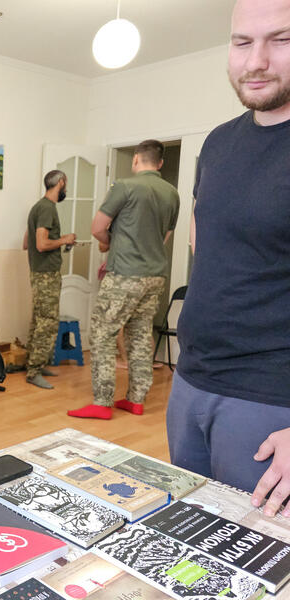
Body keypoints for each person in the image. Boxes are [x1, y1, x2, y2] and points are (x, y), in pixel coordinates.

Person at [167, 0, 290, 517]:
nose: (256, 60)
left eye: (280, 39)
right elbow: (209, 247)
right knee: (190, 540)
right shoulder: (218, 143)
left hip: (269, 400)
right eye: (242, 42)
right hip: (191, 383)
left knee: (262, 566)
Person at [68, 139, 179, 420]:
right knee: (140, 335)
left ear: (136, 160)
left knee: (103, 334)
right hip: (155, 276)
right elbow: (164, 237)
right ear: (161, 163)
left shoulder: (125, 187)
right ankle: (136, 399)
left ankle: (102, 402)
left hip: (126, 274)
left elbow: (97, 227)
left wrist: (108, 244)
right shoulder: (171, 193)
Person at [22, 170, 76, 390]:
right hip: (46, 274)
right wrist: (65, 239)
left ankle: (34, 364)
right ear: (61, 183)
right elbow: (40, 244)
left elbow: (27, 241)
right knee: (48, 322)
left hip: (39, 272)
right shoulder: (47, 208)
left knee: (39, 319)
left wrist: (59, 241)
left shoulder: (38, 207)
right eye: (66, 184)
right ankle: (34, 371)